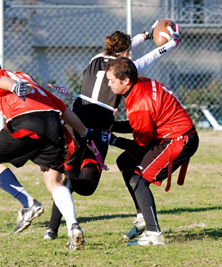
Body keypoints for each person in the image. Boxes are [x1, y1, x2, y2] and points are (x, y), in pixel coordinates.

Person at [44, 21, 180, 241]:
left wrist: (146, 34)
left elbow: (123, 47)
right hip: (98, 121)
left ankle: (51, 229)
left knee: (68, 172)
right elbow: (152, 56)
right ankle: (68, 198)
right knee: (87, 183)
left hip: (75, 116)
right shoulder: (124, 69)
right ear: (126, 52)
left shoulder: (96, 58)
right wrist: (171, 43)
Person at [0, 55, 94, 250]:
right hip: (53, 123)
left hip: (26, 121)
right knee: (55, 182)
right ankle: (73, 226)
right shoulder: (26, 78)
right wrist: (84, 132)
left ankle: (29, 204)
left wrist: (13, 87)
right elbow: (62, 108)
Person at [103, 57, 199, 246]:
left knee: (139, 179)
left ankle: (154, 234)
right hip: (171, 135)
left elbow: (141, 146)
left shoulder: (140, 104)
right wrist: (110, 126)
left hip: (178, 140)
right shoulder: (143, 83)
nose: (108, 84)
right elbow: (141, 123)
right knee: (125, 162)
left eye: (112, 80)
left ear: (126, 81)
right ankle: (143, 216)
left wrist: (112, 139)